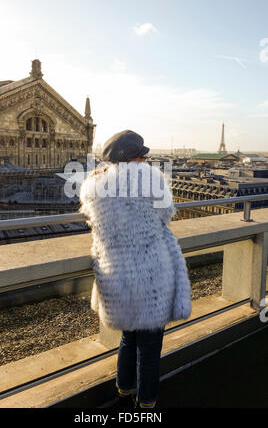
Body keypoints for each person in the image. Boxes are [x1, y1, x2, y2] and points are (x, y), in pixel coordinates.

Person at [79, 130, 191, 410]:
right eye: (142, 155)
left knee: (128, 338)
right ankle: (147, 404)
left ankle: (123, 392)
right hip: (150, 274)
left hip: (115, 275)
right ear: (132, 158)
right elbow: (166, 215)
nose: (145, 160)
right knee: (150, 348)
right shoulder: (151, 181)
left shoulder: (94, 187)